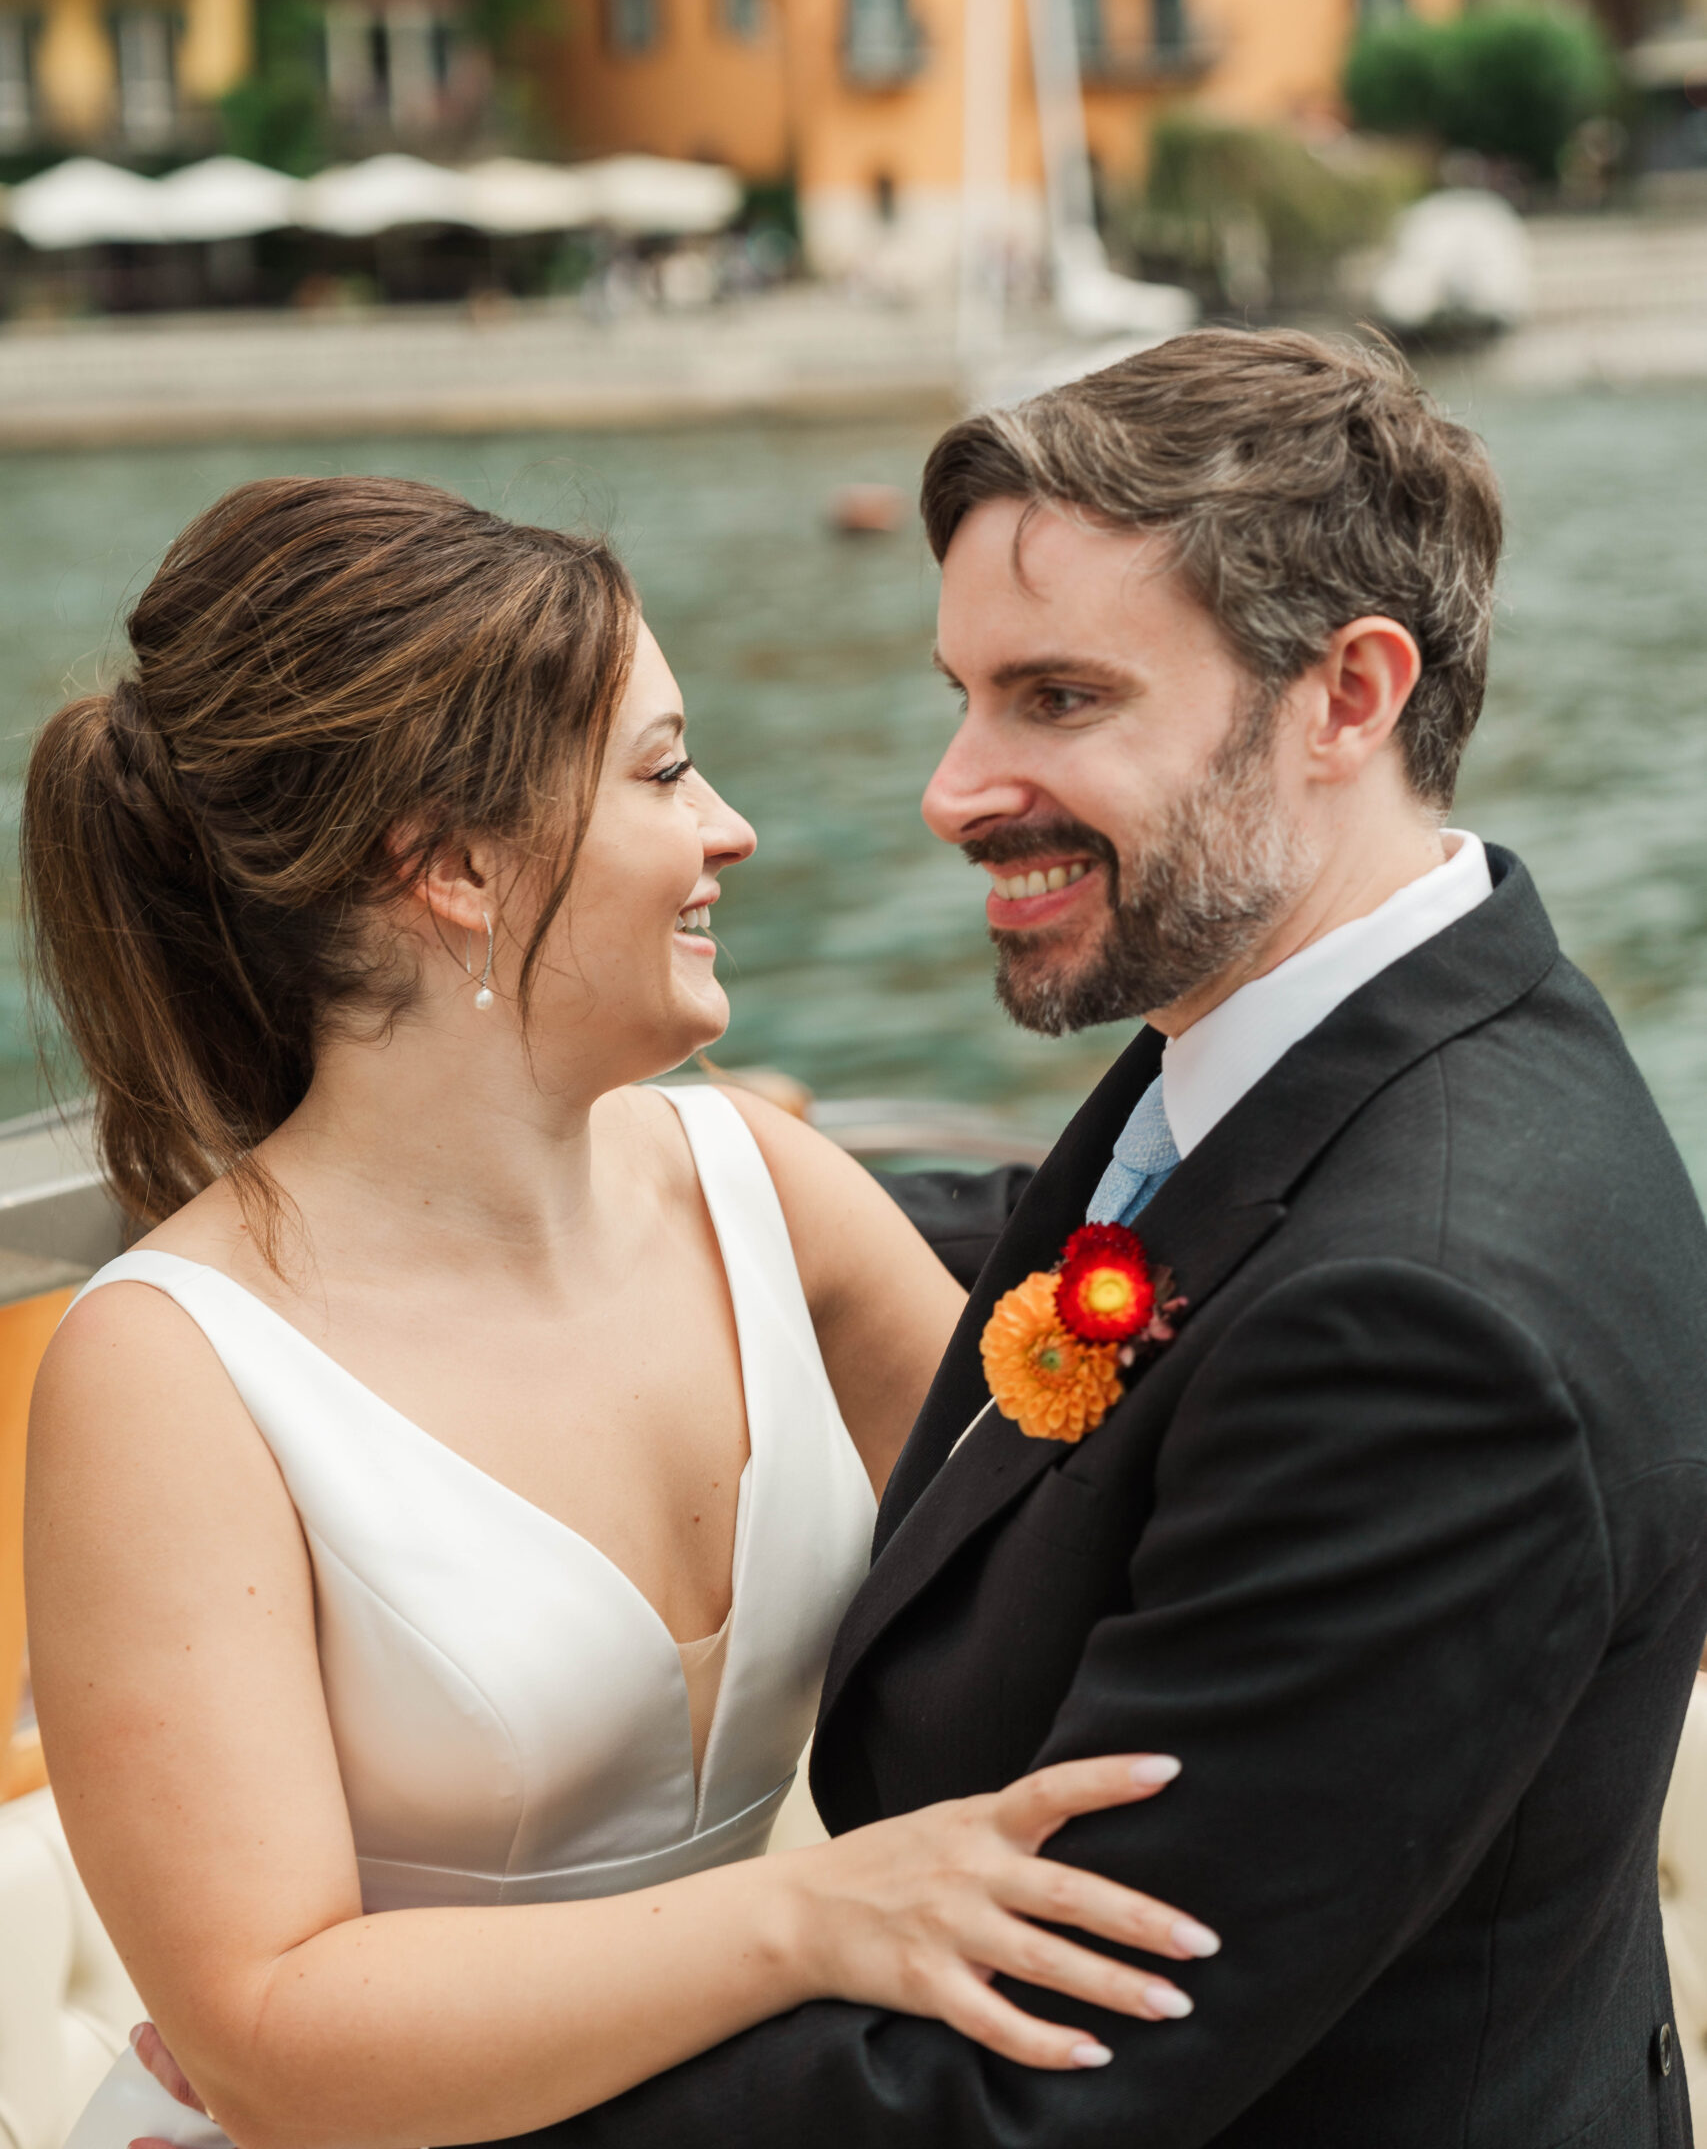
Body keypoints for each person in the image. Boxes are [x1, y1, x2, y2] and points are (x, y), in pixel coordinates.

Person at [434, 327, 1706, 2148]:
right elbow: (1124, 1250)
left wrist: (391, 2102)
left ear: (1345, 696)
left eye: (1058, 701)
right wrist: (645, 1173)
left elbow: (1035, 2085)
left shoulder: (1426, 1325)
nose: (954, 790)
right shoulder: (1365, 1037)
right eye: (964, 696)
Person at [23, 476, 1214, 2149]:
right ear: (448, 867)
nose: (730, 827)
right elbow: (268, 2030)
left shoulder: (763, 1187)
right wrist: (809, 1914)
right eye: (662, 771)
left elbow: (1073, 1539)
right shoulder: (166, 1370)